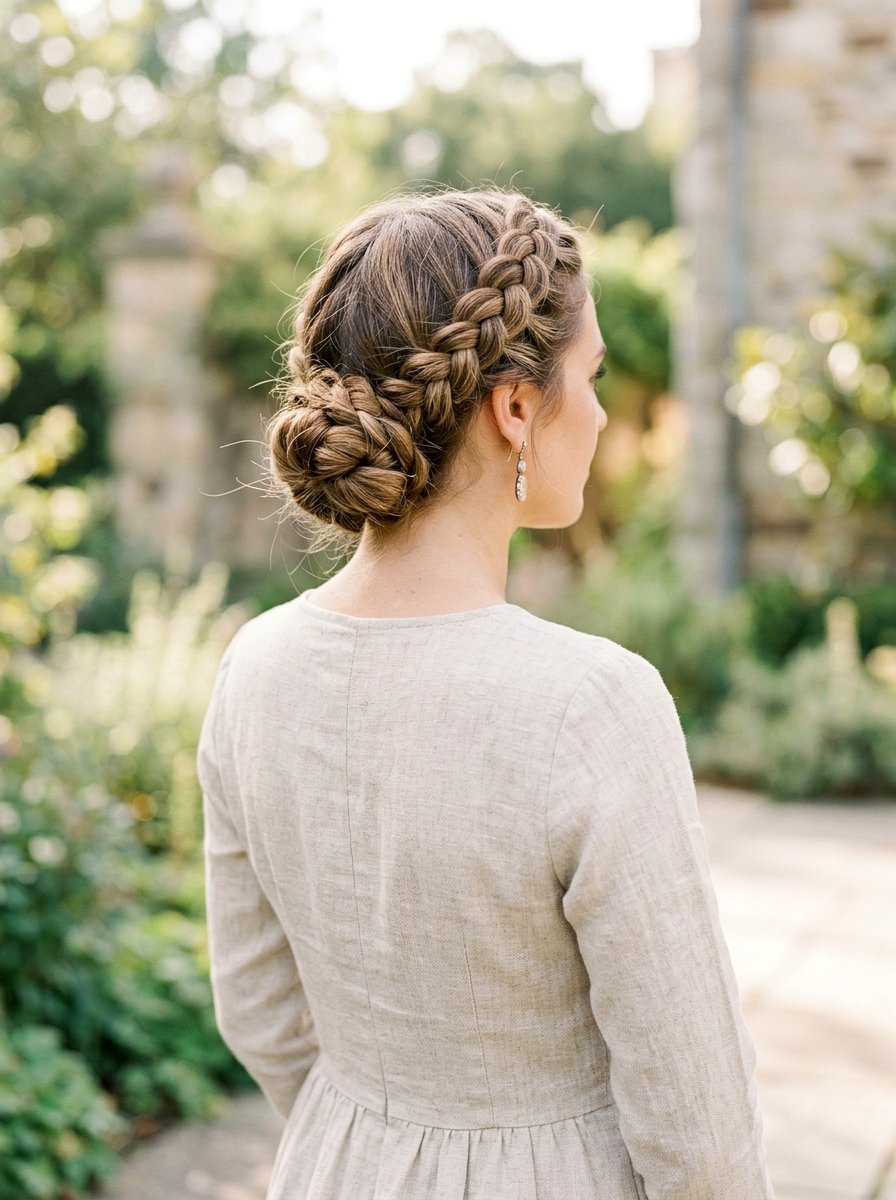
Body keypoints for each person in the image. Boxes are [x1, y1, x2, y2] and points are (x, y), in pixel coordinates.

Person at [197, 188, 776, 1199]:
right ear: (514, 406)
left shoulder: (254, 667)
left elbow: (256, 1009)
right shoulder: (589, 705)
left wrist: (381, 1143)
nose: (595, 413)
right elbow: (700, 1131)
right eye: (587, 377)